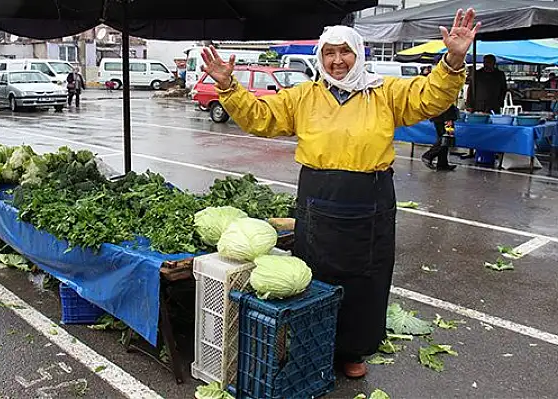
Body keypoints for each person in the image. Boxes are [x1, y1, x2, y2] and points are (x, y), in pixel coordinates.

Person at [201, 8, 479, 378]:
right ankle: (313, 345)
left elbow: (429, 97)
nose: (336, 60)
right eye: (329, 53)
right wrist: (228, 86)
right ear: (320, 57)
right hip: (319, 198)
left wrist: (454, 59)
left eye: (344, 52)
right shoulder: (304, 96)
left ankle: (353, 351)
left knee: (366, 282)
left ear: (358, 53)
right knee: (314, 276)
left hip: (371, 200)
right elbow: (260, 117)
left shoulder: (385, 92)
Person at [422, 105, 459, 171]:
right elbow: (446, 102)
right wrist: (448, 118)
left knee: (443, 137)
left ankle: (442, 164)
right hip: (445, 116)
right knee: (447, 137)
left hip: (437, 114)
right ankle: (428, 156)